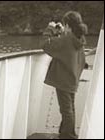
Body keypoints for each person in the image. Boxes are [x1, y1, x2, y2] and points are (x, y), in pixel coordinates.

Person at [42, 11, 88, 139]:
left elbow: (46, 45)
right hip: (72, 78)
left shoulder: (67, 39)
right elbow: (67, 47)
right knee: (70, 108)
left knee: (66, 110)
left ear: (67, 24)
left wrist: (50, 29)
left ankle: (68, 136)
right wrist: (63, 32)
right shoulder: (79, 39)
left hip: (63, 79)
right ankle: (66, 133)